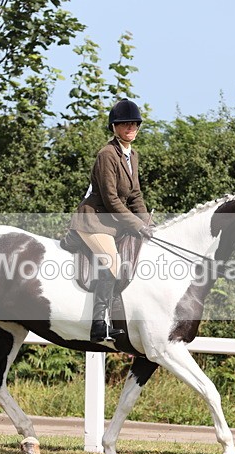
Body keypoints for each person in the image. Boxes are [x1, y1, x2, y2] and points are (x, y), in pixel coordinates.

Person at [69, 98, 154, 343]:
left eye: (134, 124)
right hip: (94, 219)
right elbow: (111, 199)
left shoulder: (132, 155)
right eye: (125, 124)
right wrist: (137, 225)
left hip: (113, 221)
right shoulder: (107, 154)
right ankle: (98, 325)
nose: (131, 127)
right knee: (113, 263)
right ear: (114, 127)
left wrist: (148, 223)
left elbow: (135, 195)